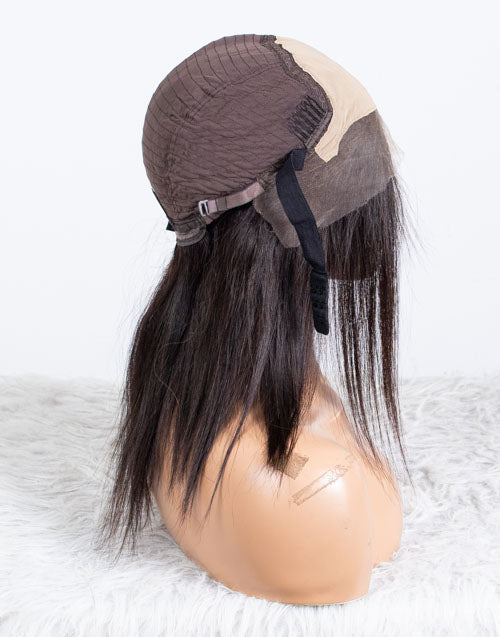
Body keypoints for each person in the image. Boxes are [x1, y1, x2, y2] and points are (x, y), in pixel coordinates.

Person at [95, 34, 417, 605]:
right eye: (353, 159)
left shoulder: (186, 393)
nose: (384, 187)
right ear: (276, 216)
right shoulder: (314, 496)